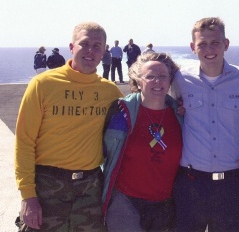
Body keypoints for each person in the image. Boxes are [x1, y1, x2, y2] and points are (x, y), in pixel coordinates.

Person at [171, 17, 239, 232]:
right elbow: (169, 111)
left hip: (229, 187)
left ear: (226, 44)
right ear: (193, 48)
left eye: (215, 43)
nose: (209, 49)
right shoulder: (180, 80)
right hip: (189, 185)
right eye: (202, 44)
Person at [15, 22, 123, 231]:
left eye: (97, 46)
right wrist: (28, 196)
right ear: (72, 47)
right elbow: (24, 141)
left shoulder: (110, 92)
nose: (90, 50)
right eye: (85, 43)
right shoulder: (43, 84)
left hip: (90, 190)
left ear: (104, 52)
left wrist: (178, 107)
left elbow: (137, 114)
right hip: (46, 187)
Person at [102, 52, 183, 231]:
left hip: (166, 206)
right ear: (138, 81)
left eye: (162, 76)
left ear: (170, 80)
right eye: (150, 77)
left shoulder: (182, 115)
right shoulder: (121, 112)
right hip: (125, 203)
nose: (157, 81)